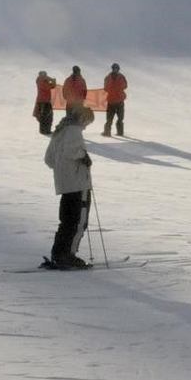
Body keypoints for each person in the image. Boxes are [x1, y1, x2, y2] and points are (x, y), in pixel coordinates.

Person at [42, 103, 94, 269]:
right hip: (78, 183)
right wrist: (83, 156)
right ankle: (68, 255)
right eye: (87, 122)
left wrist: (63, 170)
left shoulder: (60, 131)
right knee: (78, 221)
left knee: (67, 221)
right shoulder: (74, 130)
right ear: (82, 118)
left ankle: (58, 253)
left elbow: (49, 159)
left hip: (64, 184)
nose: (85, 127)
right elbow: (71, 151)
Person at [102, 63, 128, 137]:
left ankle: (117, 132)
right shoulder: (120, 77)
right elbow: (125, 86)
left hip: (117, 101)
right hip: (113, 101)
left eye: (116, 68)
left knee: (119, 118)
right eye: (114, 68)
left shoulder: (108, 77)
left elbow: (105, 88)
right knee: (110, 119)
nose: (115, 70)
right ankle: (108, 132)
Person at [32, 70, 57, 136]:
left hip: (45, 101)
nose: (46, 76)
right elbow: (49, 86)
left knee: (46, 116)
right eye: (45, 74)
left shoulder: (42, 80)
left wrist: (52, 81)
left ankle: (45, 130)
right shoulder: (41, 80)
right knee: (46, 117)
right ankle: (45, 131)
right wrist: (51, 79)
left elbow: (53, 86)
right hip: (44, 102)